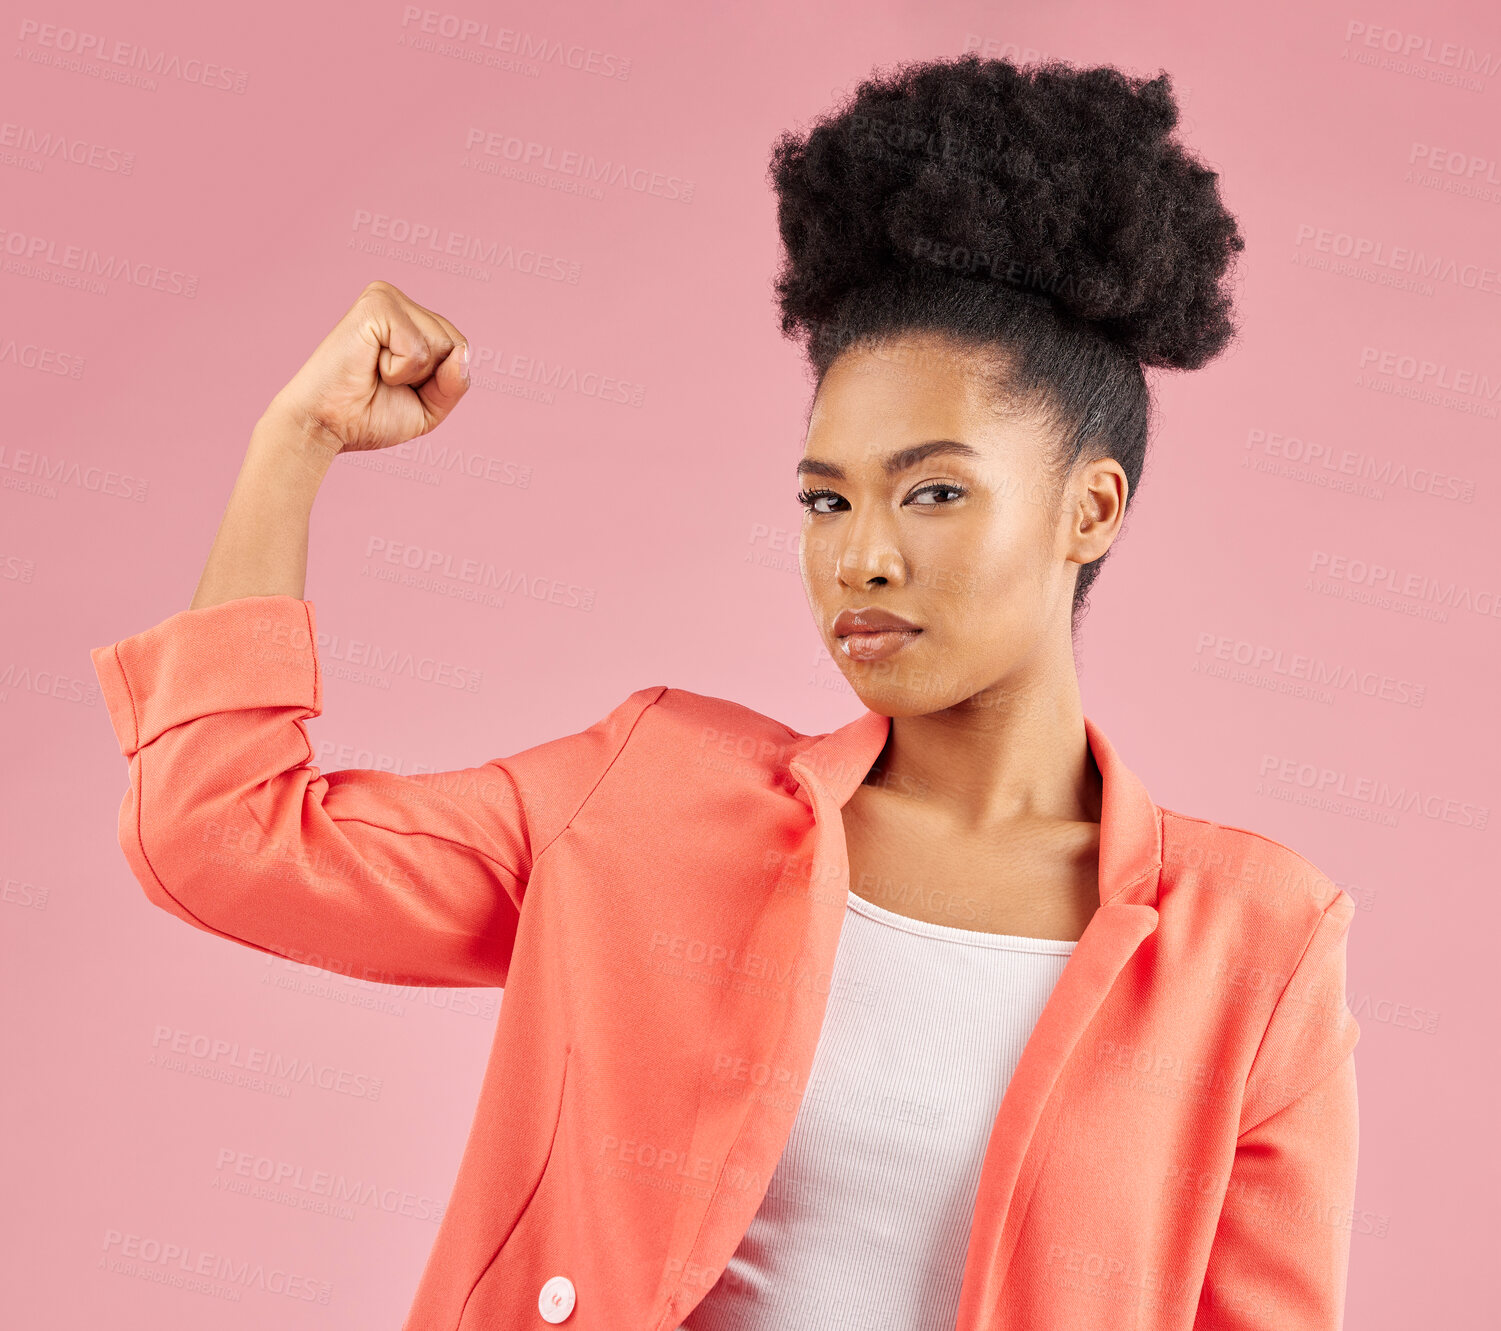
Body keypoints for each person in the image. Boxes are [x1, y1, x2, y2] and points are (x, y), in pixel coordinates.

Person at [90, 53, 1360, 1331]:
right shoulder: (648, 794)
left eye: (932, 489)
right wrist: (292, 444)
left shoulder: (1254, 943)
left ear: (1089, 507)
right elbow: (218, 837)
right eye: (826, 497)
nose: (861, 553)